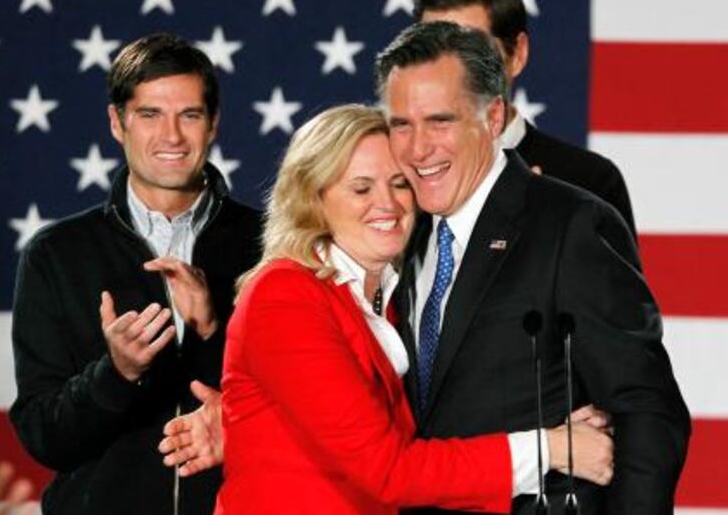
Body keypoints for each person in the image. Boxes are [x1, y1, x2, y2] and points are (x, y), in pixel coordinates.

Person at [199, 104, 613, 513]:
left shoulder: (392, 303)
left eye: (400, 183)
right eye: (361, 188)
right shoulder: (285, 294)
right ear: (313, 199)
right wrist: (549, 449)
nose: (389, 204)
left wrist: (557, 428)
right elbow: (389, 470)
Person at [375, 21, 690, 514]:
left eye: (440, 121)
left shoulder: (570, 225)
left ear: (494, 116)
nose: (417, 149)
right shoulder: (396, 233)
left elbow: (647, 410)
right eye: (400, 124)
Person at [9, 33, 261, 514]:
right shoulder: (56, 254)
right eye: (150, 115)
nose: (171, 136)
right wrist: (117, 373)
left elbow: (304, 411)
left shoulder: (271, 244)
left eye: (189, 115)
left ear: (213, 125)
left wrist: (213, 331)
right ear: (117, 122)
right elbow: (43, 435)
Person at [414, 0, 637, 237]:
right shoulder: (396, 182)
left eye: (471, 49)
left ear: (518, 54)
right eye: (430, 49)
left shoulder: (588, 183)